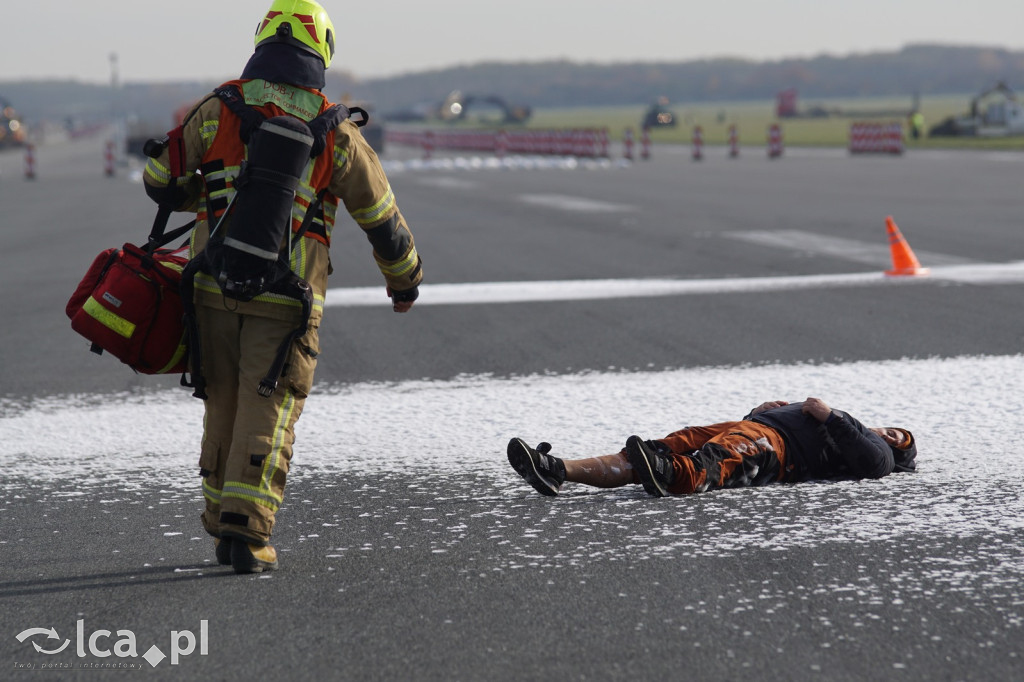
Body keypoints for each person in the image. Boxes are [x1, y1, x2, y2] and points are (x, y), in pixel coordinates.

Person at [143, 0, 423, 573]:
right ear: (322, 48)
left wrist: (207, 193)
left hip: (210, 288)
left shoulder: (219, 107)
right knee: (269, 407)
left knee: (220, 398)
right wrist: (404, 281)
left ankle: (221, 521)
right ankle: (248, 533)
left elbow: (159, 179)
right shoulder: (336, 128)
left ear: (262, 39)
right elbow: (383, 220)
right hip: (288, 298)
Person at [507, 398, 916, 498]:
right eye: (895, 430)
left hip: (779, 448)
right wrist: (762, 409)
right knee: (666, 445)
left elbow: (872, 464)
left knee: (718, 460)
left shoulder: (875, 451)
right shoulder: (856, 429)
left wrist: (830, 417)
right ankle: (558, 468)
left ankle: (673, 478)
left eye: (898, 439)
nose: (890, 433)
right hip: (756, 427)